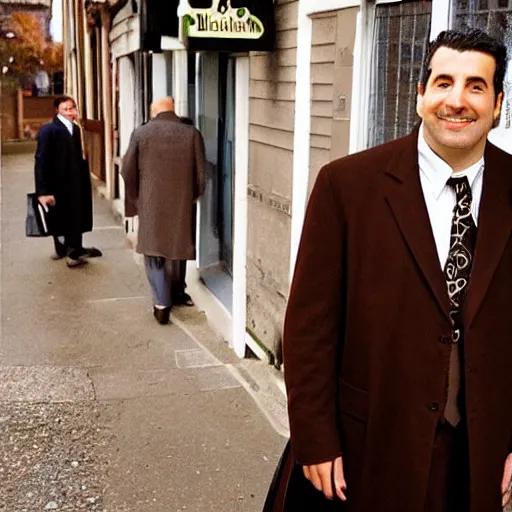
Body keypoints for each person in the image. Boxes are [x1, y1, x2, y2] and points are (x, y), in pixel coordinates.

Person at [271, 29, 512, 511]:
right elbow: (309, 327)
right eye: (443, 82)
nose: (457, 100)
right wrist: (315, 438)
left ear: (498, 103)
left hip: (477, 455)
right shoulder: (348, 186)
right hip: (370, 447)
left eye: (476, 86)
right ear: (420, 95)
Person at [121, 97, 206, 325]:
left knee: (154, 253)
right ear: (174, 109)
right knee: (177, 249)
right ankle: (177, 293)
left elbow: (127, 169)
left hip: (150, 202)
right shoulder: (192, 133)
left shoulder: (142, 133)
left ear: (153, 111)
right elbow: (200, 175)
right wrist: (191, 196)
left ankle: (161, 304)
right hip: (181, 202)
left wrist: (137, 197)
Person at [34, 96, 102, 268]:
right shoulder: (49, 130)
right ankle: (69, 251)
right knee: (61, 215)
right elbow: (41, 160)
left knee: (76, 214)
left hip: (75, 180)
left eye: (72, 108)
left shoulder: (75, 129)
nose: (71, 112)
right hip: (57, 182)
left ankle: (73, 248)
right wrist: (43, 190)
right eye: (66, 109)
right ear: (58, 110)